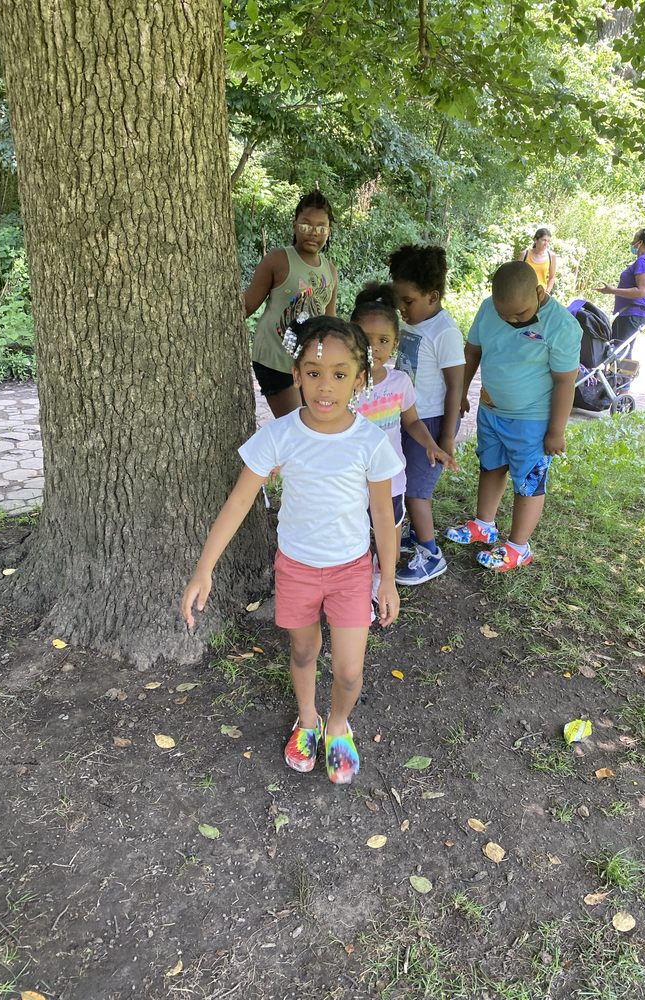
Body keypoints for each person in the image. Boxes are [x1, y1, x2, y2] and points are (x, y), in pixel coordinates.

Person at [181, 316, 402, 785]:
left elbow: (383, 516)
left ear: (360, 380)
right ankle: (308, 720)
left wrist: (388, 577)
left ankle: (338, 722)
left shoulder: (370, 442)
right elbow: (240, 500)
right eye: (314, 373)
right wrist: (204, 568)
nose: (326, 387)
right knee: (303, 652)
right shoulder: (280, 435)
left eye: (340, 374)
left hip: (351, 571)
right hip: (298, 569)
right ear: (297, 374)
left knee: (348, 669)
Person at [446, 261, 581, 571]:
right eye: (503, 313)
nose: (510, 320)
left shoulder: (561, 326)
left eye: (519, 314)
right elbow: (473, 353)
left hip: (532, 421)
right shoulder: (488, 309)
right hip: (491, 411)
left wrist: (556, 431)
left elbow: (564, 382)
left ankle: (519, 547)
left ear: (539, 291)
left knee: (529, 482)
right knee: (490, 466)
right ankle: (484, 524)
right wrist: (462, 392)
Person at [350, 282, 457, 567]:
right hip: (350, 479)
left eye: (383, 340)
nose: (374, 347)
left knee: (390, 545)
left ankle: (382, 584)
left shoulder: (399, 382)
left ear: (395, 343)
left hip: (391, 478)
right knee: (353, 538)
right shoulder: (342, 382)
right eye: (365, 338)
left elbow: (411, 421)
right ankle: (353, 583)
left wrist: (431, 445)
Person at [388, 244, 465, 585]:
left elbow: (456, 388)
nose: (402, 308)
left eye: (409, 301)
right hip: (409, 417)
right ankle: (413, 535)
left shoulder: (444, 332)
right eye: (399, 300)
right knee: (403, 481)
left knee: (418, 492)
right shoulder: (414, 323)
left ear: (432, 296)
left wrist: (445, 437)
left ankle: (431, 554)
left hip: (431, 423)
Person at [244, 191, 338, 418]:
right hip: (274, 358)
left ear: (329, 231)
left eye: (321, 228)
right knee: (297, 425)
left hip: (309, 364)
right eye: (306, 226)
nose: (313, 234)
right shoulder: (277, 259)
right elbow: (246, 306)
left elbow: (330, 323)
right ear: (294, 225)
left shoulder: (330, 270)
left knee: (316, 424)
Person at [596, 227, 645, 345]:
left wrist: (612, 290)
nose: (632, 243)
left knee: (620, 352)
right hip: (633, 312)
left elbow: (642, 291)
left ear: (640, 242)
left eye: (634, 239)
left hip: (631, 313)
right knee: (620, 350)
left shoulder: (644, 261)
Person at [518, 228, 556, 295]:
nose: (546, 243)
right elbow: (517, 275)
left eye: (548, 241)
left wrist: (546, 293)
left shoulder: (551, 256)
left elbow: (552, 277)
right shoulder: (524, 254)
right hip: (524, 294)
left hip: (541, 295)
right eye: (544, 240)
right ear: (535, 240)